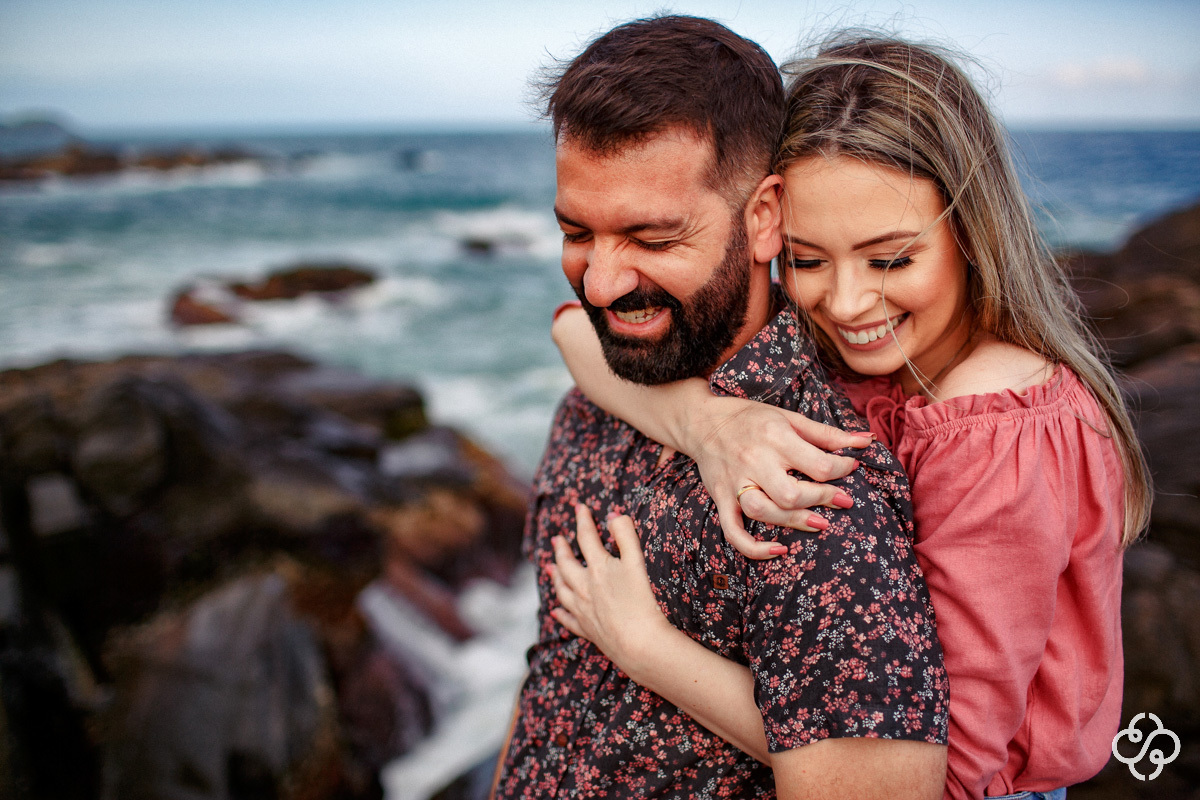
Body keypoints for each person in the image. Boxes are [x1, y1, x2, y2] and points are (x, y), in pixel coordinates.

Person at [549, 33, 1152, 800]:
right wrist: (706, 422)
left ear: (973, 232)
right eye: (806, 260)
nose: (846, 301)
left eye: (891, 259)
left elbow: (940, 770)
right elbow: (573, 330)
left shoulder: (995, 426)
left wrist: (648, 649)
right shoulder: (867, 356)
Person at [492, 15, 950, 799]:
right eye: (576, 231)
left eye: (653, 238)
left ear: (764, 216)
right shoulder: (596, 396)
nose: (599, 285)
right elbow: (554, 671)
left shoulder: (814, 483)